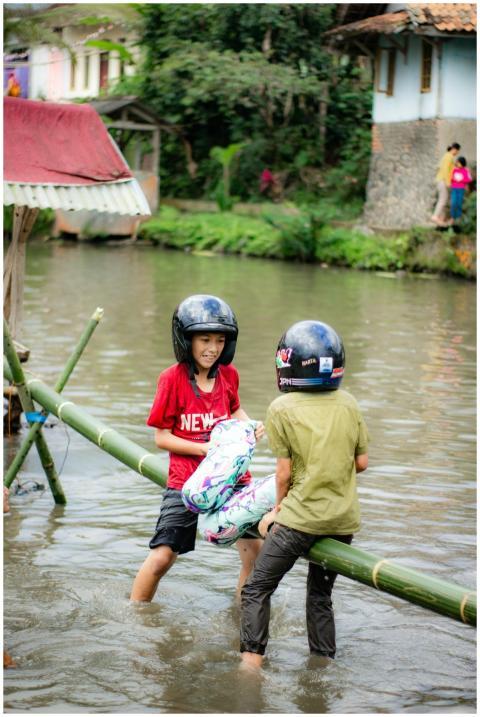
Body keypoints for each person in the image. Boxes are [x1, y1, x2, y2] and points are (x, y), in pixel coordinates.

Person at [239, 320, 369, 668]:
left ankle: (250, 667)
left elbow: (284, 473)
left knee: (256, 588)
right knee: (320, 596)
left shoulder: (282, 408)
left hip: (300, 521)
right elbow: (362, 462)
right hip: (343, 522)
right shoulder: (349, 403)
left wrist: (276, 512)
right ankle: (323, 664)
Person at [130, 294, 264, 602]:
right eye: (204, 339)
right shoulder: (171, 379)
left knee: (254, 557)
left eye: (219, 340)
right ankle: (136, 618)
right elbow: (162, 438)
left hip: (232, 479)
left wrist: (251, 426)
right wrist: (205, 450)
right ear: (186, 339)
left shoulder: (229, 375)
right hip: (187, 482)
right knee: (163, 557)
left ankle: (244, 620)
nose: (212, 348)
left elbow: (235, 412)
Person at [431, 143, 460, 225]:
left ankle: (440, 217)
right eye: (457, 151)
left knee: (444, 198)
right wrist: (448, 182)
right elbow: (445, 169)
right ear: (454, 149)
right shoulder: (449, 156)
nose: (457, 153)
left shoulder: (447, 156)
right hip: (442, 180)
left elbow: (449, 169)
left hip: (440, 179)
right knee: (443, 198)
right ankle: (435, 216)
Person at [449, 156, 472, 225]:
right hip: (454, 188)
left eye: (459, 163)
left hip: (461, 189)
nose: (458, 164)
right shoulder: (454, 170)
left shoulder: (465, 170)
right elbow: (450, 178)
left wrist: (461, 179)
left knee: (459, 203)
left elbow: (469, 179)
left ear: (462, 163)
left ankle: (458, 218)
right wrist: (453, 179)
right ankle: (452, 218)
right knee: (453, 203)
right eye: (457, 162)